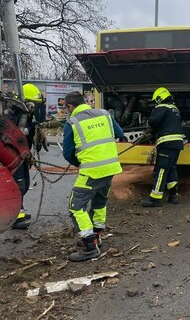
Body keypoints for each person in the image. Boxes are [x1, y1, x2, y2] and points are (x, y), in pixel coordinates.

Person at [62, 91, 126, 261]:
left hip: (91, 171)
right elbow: (120, 133)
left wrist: (81, 162)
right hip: (110, 168)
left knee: (75, 206)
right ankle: (97, 235)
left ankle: (89, 246)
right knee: (99, 202)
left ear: (69, 106)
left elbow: (68, 153)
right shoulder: (105, 114)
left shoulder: (72, 122)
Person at [141, 87, 185, 207]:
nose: (156, 103)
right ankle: (173, 195)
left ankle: (155, 198)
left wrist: (148, 125)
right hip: (177, 143)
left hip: (166, 143)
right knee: (171, 169)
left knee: (160, 170)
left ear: (160, 98)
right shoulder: (174, 109)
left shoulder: (162, 107)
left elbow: (152, 122)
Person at [11, 83, 45, 229]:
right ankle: (15, 215)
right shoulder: (14, 115)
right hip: (14, 156)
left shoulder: (26, 116)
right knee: (18, 184)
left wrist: (36, 128)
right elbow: (17, 133)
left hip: (22, 155)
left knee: (24, 183)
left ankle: (19, 210)